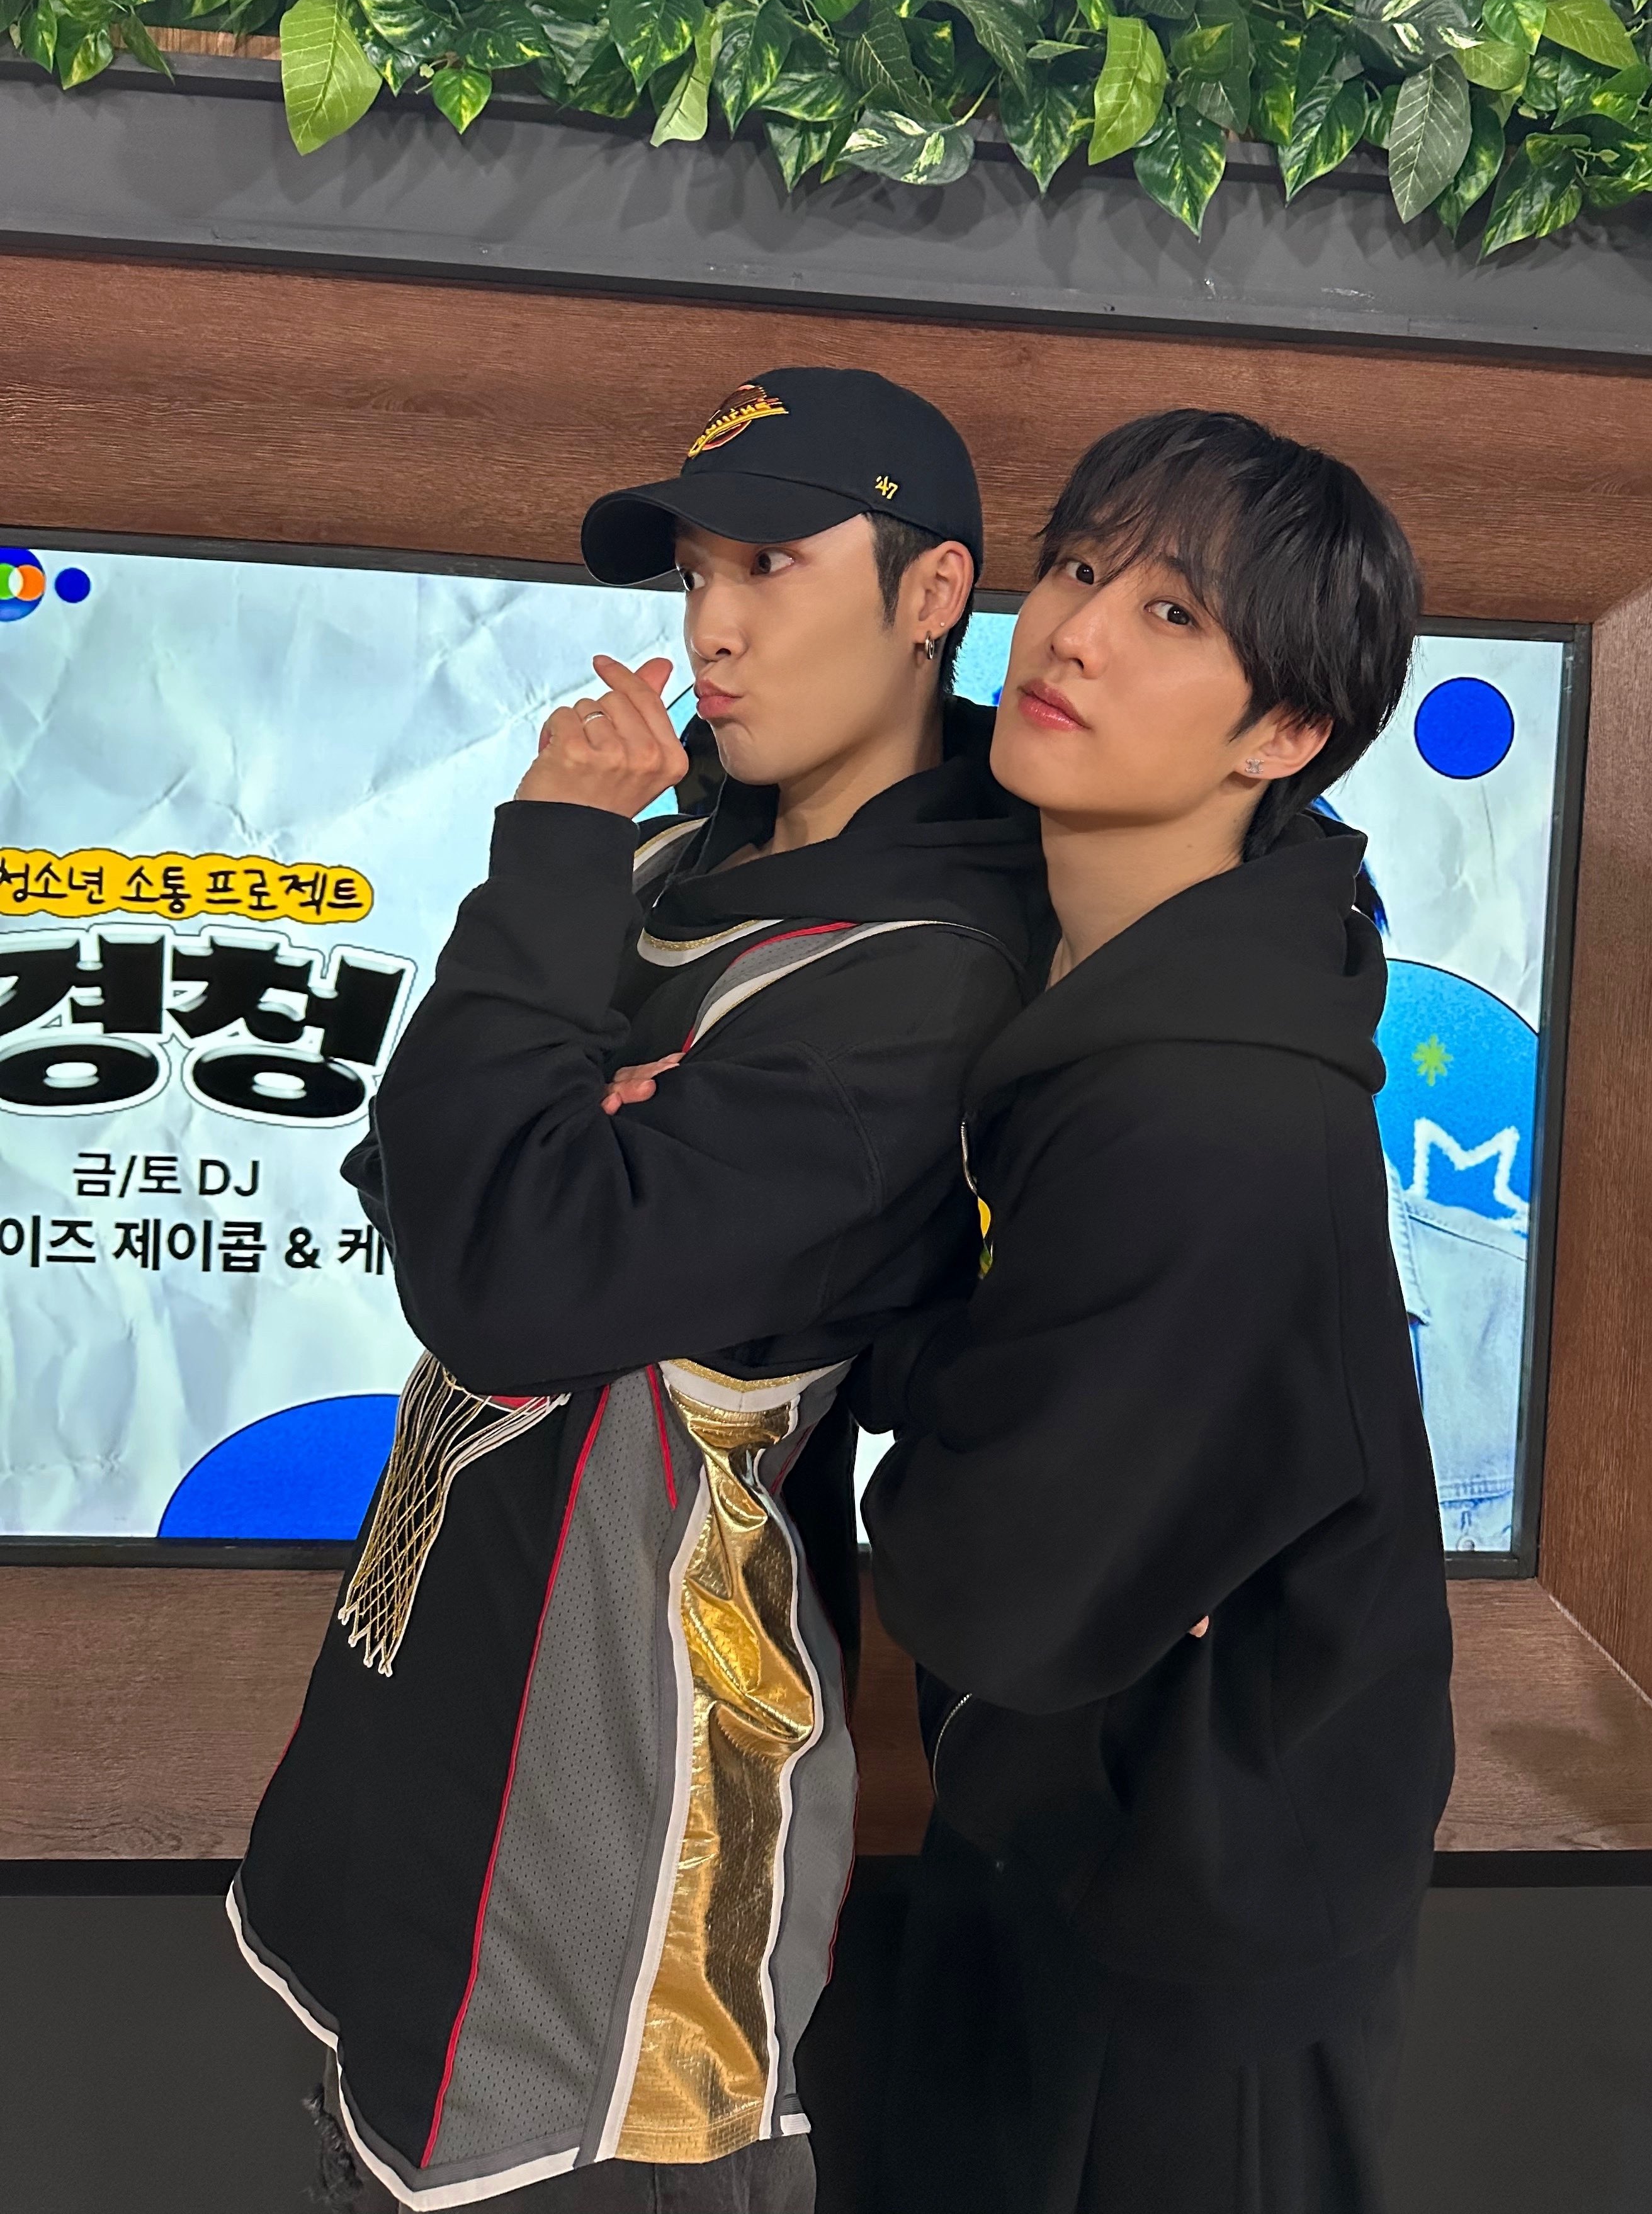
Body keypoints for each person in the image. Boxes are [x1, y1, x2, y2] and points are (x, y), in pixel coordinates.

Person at [228, 369, 1047, 2213]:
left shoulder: (931, 968)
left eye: (772, 563)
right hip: (438, 1694)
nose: (712, 629)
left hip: (616, 1772)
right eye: (695, 574)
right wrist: (536, 1122)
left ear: (933, 594)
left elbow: (504, 1278)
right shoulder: (682, 848)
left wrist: (550, 914)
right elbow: (412, 1172)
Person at [859, 409, 1456, 2214]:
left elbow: (995, 1583)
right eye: (1081, 567)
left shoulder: (1212, 1108)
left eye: (1175, 615)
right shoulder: (1105, 961)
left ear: (1285, 735)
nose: (1078, 633)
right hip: (1083, 1846)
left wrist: (896, 1379)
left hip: (1191, 1944)